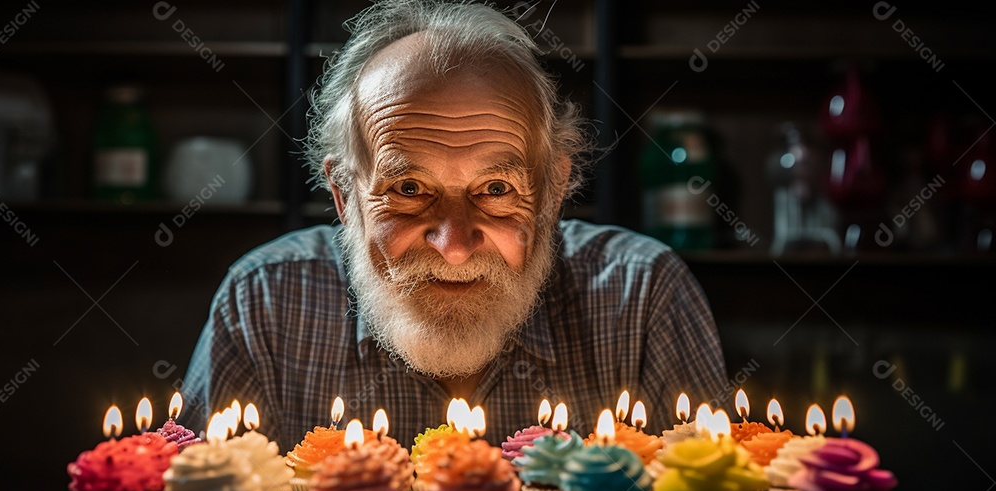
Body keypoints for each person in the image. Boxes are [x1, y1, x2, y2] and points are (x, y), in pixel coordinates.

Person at [178, 0, 727, 450]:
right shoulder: (264, 302)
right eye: (410, 190)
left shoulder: (645, 294)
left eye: (496, 191)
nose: (455, 246)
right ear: (345, 195)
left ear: (553, 191)